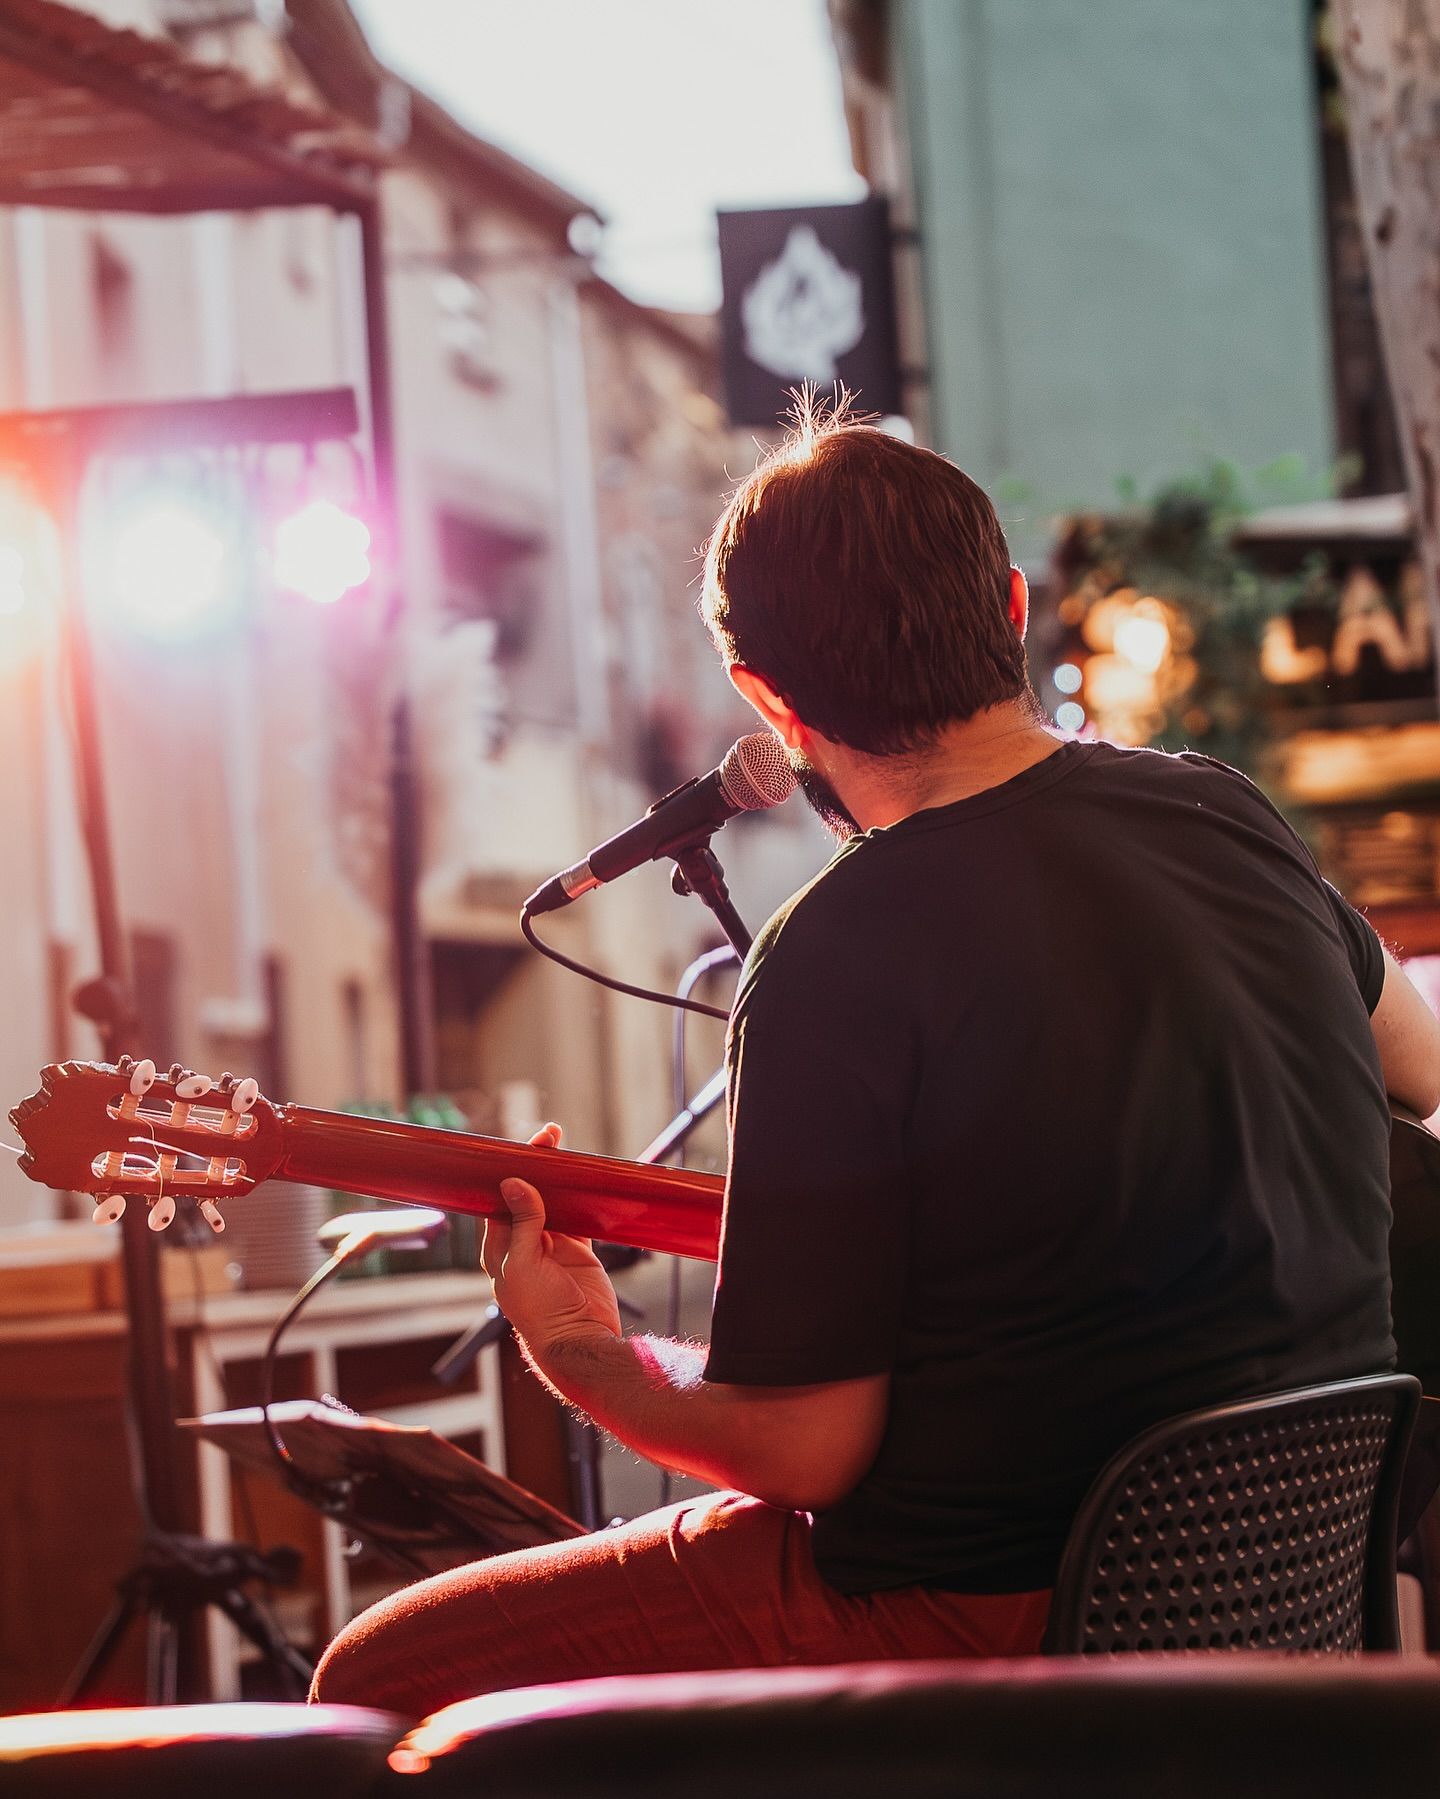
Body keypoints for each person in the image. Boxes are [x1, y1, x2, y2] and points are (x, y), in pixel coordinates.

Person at [311, 411, 1440, 1717]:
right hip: (1278, 1590)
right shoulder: (1223, 811)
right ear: (1012, 611)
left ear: (768, 700)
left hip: (988, 1612)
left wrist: (579, 1352)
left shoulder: (837, 952)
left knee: (380, 1682)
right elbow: (1411, 1069)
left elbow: (805, 1451)